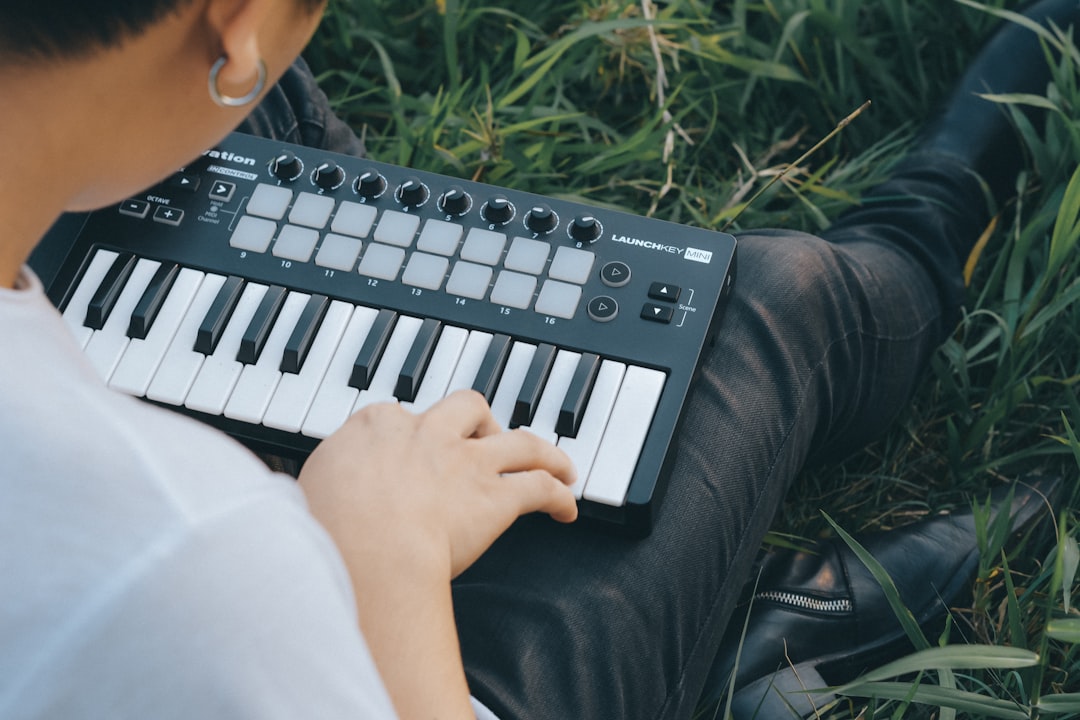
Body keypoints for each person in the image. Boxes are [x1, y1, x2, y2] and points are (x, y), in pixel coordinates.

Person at [0, 2, 1071, 720]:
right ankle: (925, 234)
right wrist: (381, 564)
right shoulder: (192, 560)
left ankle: (706, 603)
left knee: (255, 130)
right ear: (233, 18)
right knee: (767, 309)